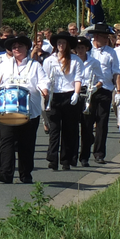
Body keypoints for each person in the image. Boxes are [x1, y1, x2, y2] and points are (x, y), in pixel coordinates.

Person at [0, 34, 48, 183]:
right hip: (7, 108)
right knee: (6, 141)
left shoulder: (35, 66)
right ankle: (6, 174)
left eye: (19, 46)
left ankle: (25, 174)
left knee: (26, 143)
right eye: (14, 47)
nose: (16, 49)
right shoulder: (4, 65)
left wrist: (44, 89)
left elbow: (43, 81)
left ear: (26, 48)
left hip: (29, 109)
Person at [43, 32, 81, 170]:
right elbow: (45, 78)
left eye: (64, 43)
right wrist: (46, 92)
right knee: (54, 129)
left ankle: (66, 160)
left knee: (68, 129)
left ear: (67, 45)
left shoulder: (75, 60)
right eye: (59, 42)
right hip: (54, 96)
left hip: (69, 95)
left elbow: (78, 78)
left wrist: (76, 93)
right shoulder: (49, 60)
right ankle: (52, 158)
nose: (61, 45)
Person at [85, 23, 119, 164]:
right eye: (104, 37)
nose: (107, 39)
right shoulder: (88, 51)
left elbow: (116, 72)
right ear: (96, 36)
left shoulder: (111, 52)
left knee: (102, 122)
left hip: (105, 89)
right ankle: (85, 152)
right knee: (87, 122)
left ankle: (99, 153)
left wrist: (118, 90)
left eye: (107, 37)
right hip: (90, 89)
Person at [74, 36, 101, 167]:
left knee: (87, 127)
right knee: (73, 127)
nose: (80, 50)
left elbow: (101, 79)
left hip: (89, 93)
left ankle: (84, 157)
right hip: (75, 93)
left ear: (86, 49)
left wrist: (95, 87)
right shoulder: (72, 61)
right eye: (78, 48)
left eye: (82, 48)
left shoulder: (94, 62)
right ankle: (72, 156)